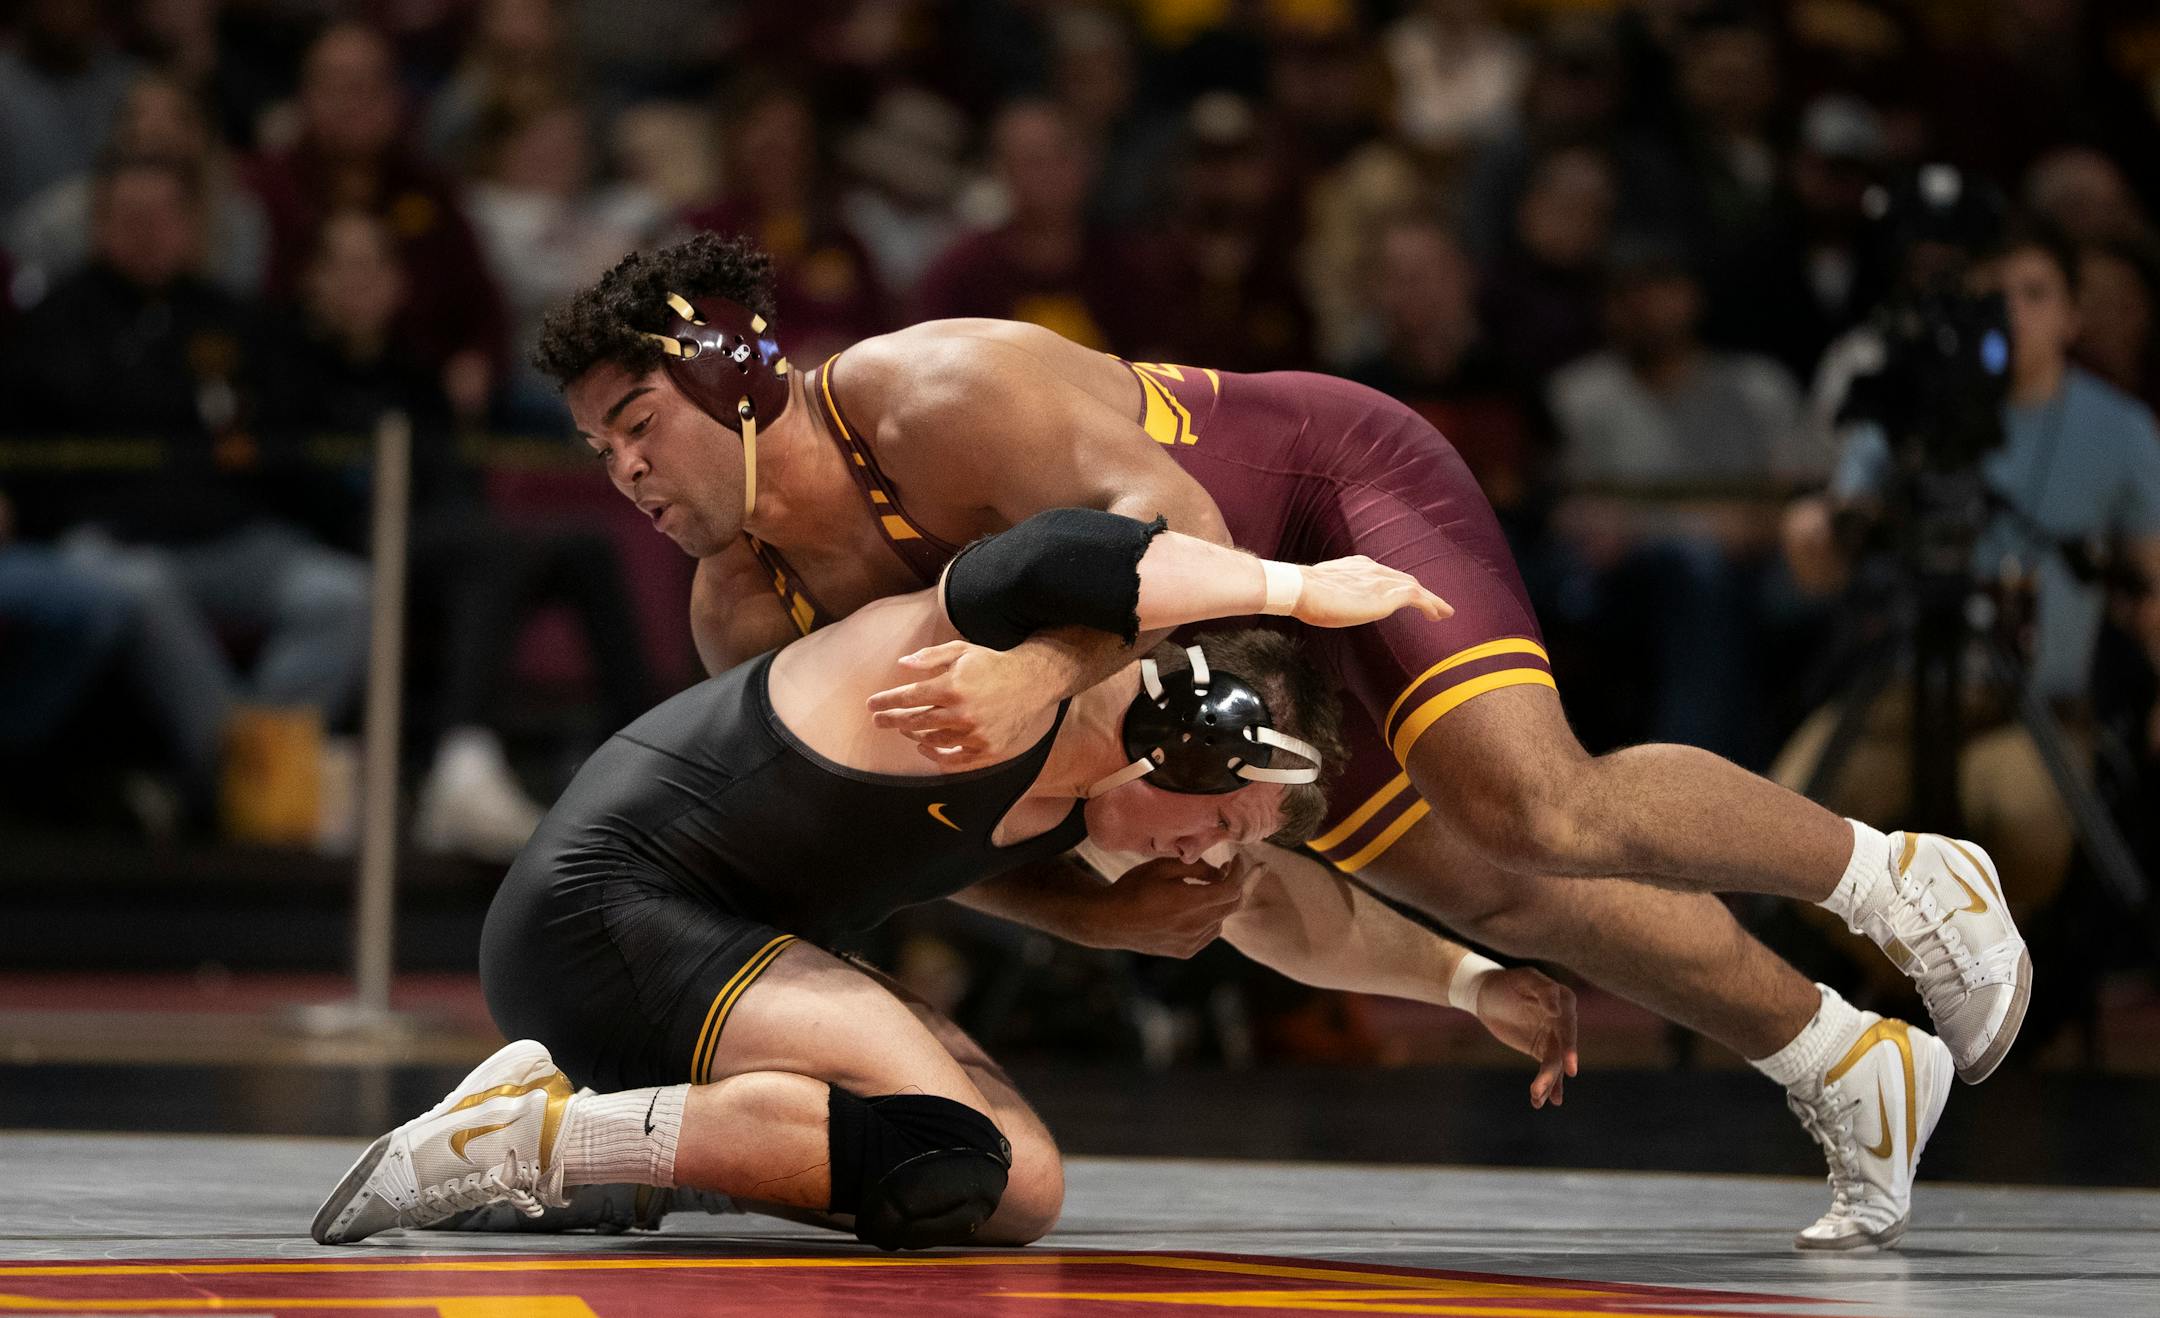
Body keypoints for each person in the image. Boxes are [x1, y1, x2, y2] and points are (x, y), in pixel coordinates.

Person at [532, 233, 2029, 1251]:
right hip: (1196, 673)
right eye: (598, 449)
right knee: (1496, 898)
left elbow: (1170, 532)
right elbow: (910, 838)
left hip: (1310, 501)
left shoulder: (935, 389)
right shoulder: (740, 612)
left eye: (636, 421)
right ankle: (1841, 1059)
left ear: (729, 373)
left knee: (1527, 800)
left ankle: (1894, 874)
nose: (624, 472)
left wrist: (1031, 682)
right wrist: (1088, 909)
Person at [312, 510, 1579, 1249]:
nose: (1206, 855)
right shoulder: (977, 673)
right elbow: (1061, 551)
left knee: (1005, 1187)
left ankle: (605, 1145)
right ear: (1190, 732)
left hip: (715, 941)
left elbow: (1284, 911)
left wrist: (1468, 981)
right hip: (603, 913)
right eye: (1218, 820)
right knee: (944, 1141)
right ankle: (537, 1139)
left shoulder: (1082, 801)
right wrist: (1300, 587)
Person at [1778, 225, 2160, 945]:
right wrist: (1818, 532)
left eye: (2034, 294)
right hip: (1896, 689)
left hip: (2038, 704)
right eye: (1990, 296)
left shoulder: (2121, 429)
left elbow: (2152, 580)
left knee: (2018, 821)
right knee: (1799, 824)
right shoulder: (1910, 410)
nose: (2010, 312)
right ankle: (1901, 1000)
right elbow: (1830, 553)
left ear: (2073, 314)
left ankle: (1979, 1002)